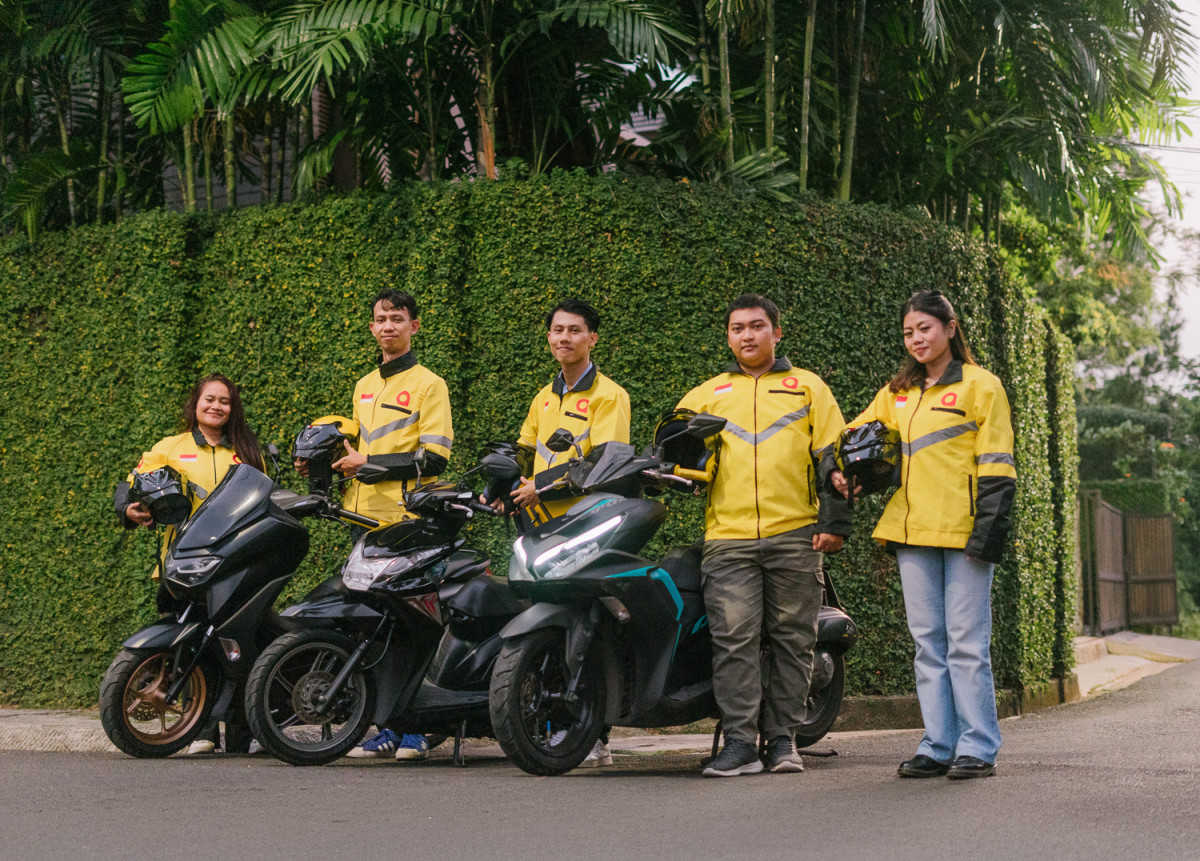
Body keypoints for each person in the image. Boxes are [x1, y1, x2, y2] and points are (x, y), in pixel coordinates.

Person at [834, 289, 1015, 780]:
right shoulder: (897, 392)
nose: (917, 339)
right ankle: (938, 744)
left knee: (966, 643)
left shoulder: (982, 386)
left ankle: (978, 745)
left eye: (925, 329)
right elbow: (854, 437)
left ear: (950, 328)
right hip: (911, 531)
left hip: (964, 534)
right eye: (909, 332)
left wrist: (988, 536)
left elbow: (998, 468)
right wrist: (838, 466)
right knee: (928, 643)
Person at [676, 294, 851, 777]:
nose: (747, 336)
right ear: (728, 336)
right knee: (734, 640)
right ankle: (738, 744)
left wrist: (834, 524)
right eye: (737, 328)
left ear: (777, 332)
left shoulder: (809, 388)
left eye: (756, 327)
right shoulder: (706, 394)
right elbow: (676, 453)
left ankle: (782, 741)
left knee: (794, 640)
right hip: (728, 537)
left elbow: (835, 460)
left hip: (795, 534)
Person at [321, 289, 454, 762]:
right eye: (381, 319)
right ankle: (385, 727)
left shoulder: (429, 384)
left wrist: (369, 463)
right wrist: (326, 464)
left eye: (398, 319)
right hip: (362, 520)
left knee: (413, 627)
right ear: (372, 327)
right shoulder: (362, 386)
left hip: (408, 522)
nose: (388, 326)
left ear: (414, 326)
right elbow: (354, 451)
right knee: (370, 628)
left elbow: (435, 457)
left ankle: (419, 729)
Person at [114, 372, 266, 754]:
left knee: (237, 648)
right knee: (188, 647)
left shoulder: (248, 452)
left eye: (224, 401)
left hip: (237, 567)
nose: (216, 406)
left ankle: (244, 733)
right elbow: (132, 485)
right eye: (209, 399)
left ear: (233, 409)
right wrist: (129, 509)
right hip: (183, 566)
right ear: (195, 405)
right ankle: (201, 731)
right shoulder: (170, 447)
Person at [508, 298, 631, 767]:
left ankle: (596, 729)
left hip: (591, 523)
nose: (564, 338)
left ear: (592, 339)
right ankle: (553, 720)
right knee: (550, 620)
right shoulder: (544, 396)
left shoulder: (609, 395)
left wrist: (540, 485)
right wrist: (499, 481)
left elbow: (606, 461)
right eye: (557, 330)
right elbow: (524, 448)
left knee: (592, 619)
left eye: (574, 331)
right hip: (542, 526)